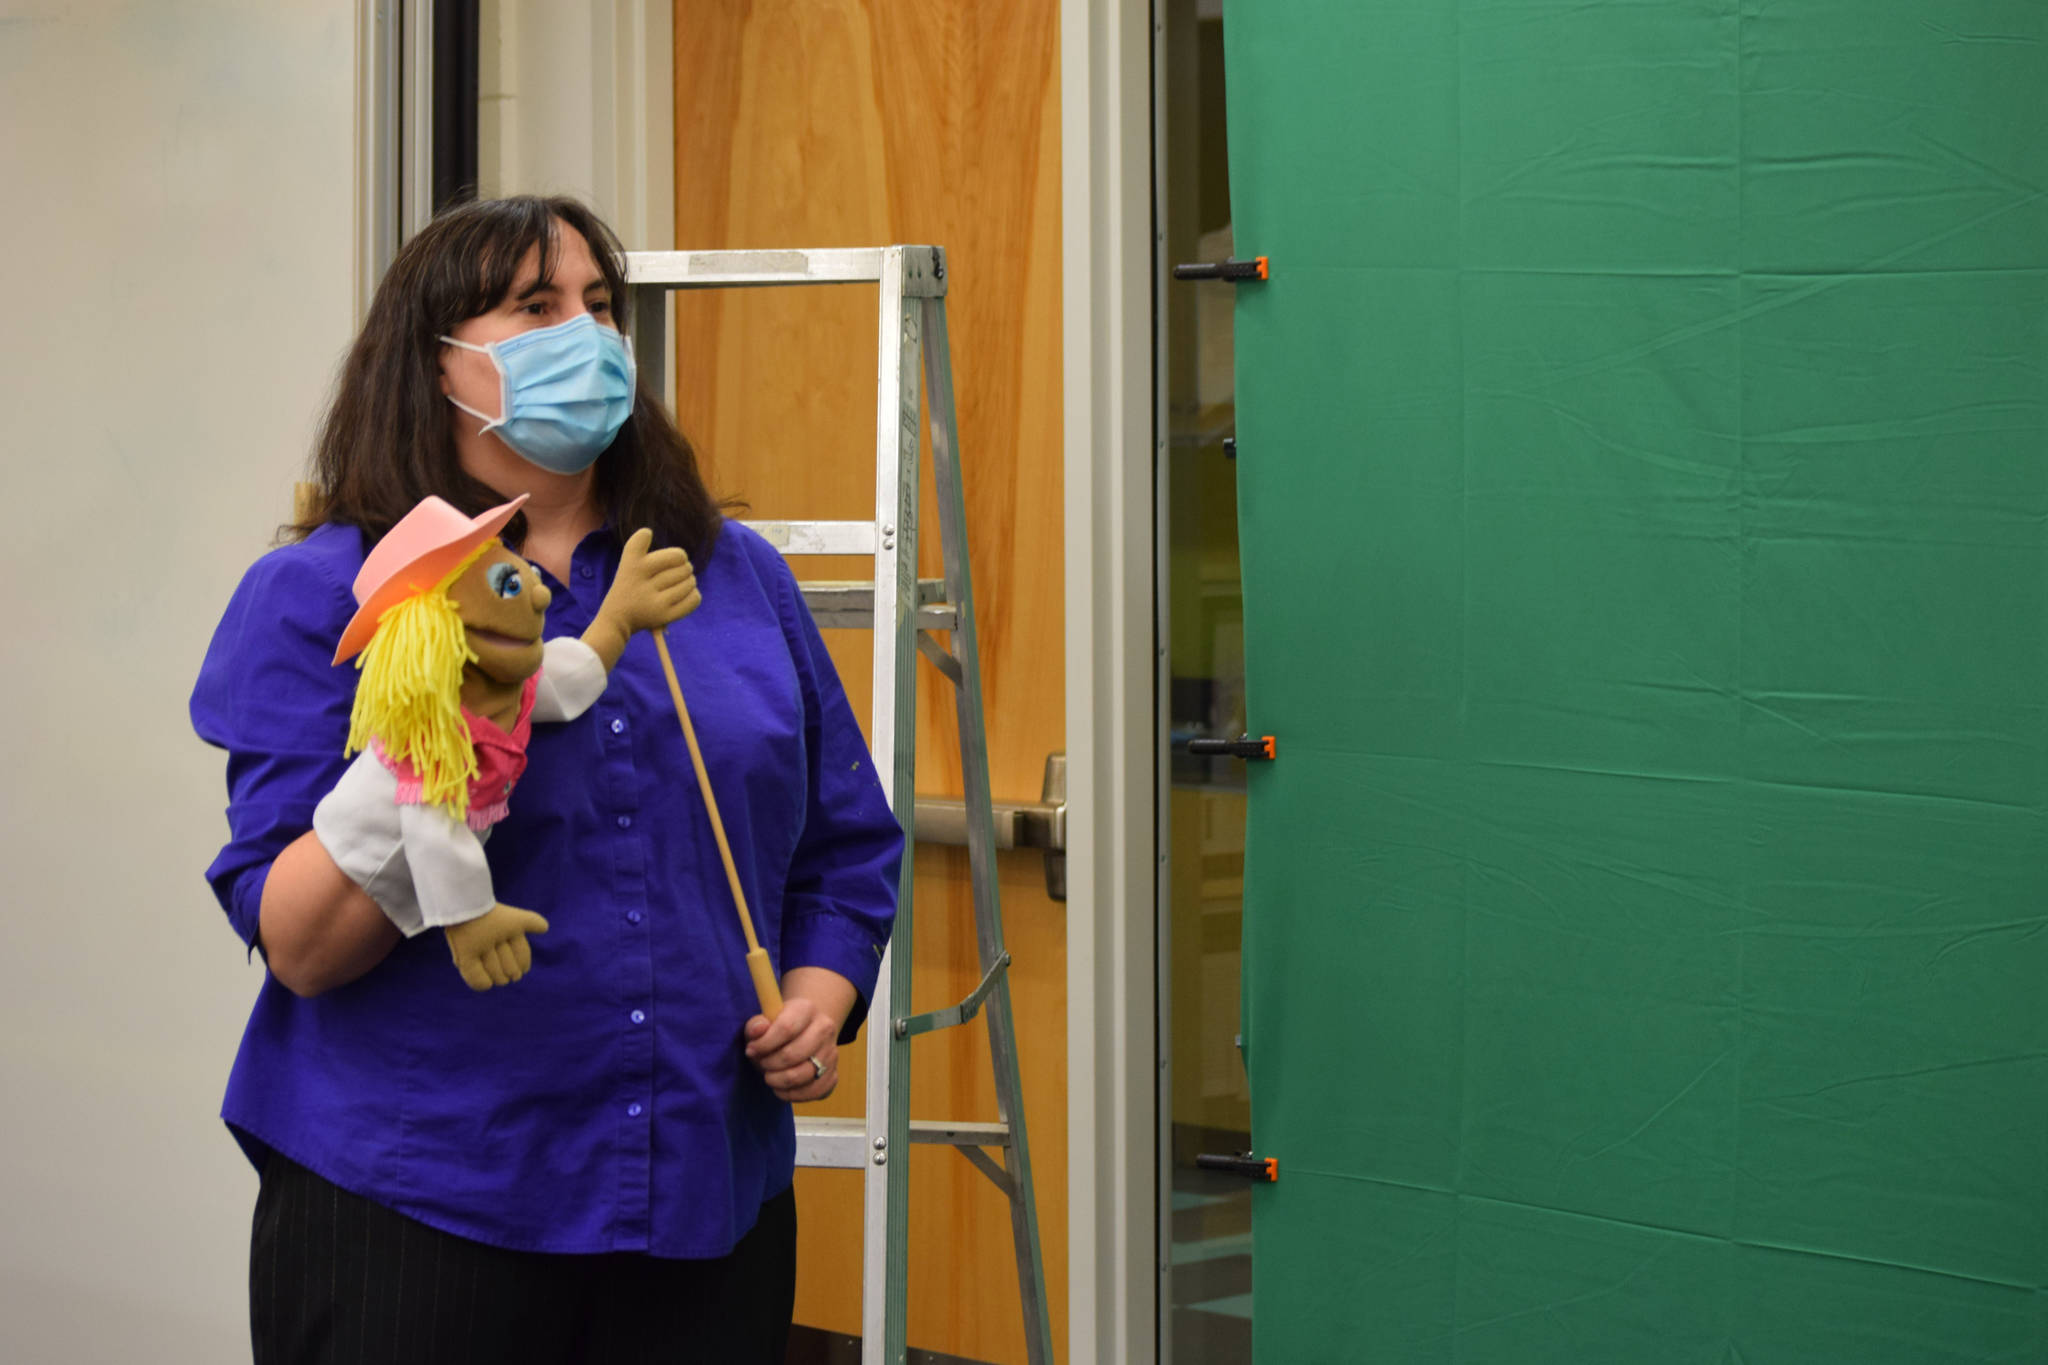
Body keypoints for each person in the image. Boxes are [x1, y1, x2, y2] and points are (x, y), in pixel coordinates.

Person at [190, 194, 903, 1364]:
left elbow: (843, 848)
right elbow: (304, 948)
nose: (590, 336)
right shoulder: (329, 596)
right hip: (418, 1207)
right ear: (439, 363)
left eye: (601, 307)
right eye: (536, 306)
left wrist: (821, 1000)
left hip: (699, 1209)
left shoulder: (733, 579)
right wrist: (447, 721)